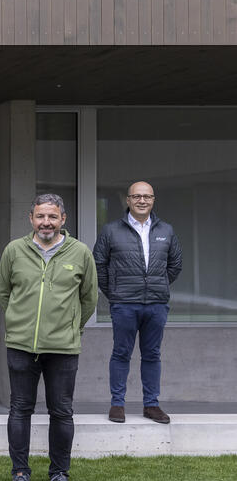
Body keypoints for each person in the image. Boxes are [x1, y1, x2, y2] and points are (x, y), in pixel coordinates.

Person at [0, 193, 97, 481]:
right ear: (31, 219)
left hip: (63, 347)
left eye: (52, 216)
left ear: (63, 219)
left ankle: (59, 473)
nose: (46, 222)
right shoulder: (14, 250)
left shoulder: (80, 253)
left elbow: (90, 298)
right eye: (40, 216)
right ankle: (20, 473)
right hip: (21, 345)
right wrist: (19, 322)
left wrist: (71, 328)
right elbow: (4, 293)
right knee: (19, 409)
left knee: (62, 411)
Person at [93, 181, 182, 425]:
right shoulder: (111, 230)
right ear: (128, 200)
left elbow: (175, 265)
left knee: (152, 354)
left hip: (156, 304)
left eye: (147, 196)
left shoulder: (167, 230)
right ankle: (117, 404)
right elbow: (98, 265)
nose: (142, 201)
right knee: (121, 353)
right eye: (137, 196)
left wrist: (157, 285)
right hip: (124, 304)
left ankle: (151, 405)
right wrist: (115, 292)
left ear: (153, 200)